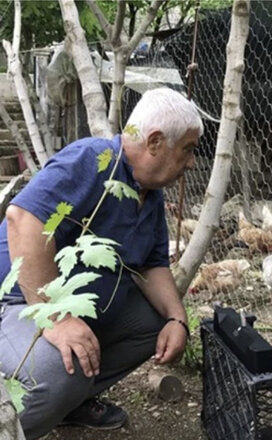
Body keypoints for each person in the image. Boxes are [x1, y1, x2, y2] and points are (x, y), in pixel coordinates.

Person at [0, 87, 203, 439]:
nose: (192, 163)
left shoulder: (148, 194)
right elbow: (23, 219)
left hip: (74, 304)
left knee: (152, 324)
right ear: (155, 142)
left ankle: (71, 402)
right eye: (187, 149)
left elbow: (152, 265)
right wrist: (56, 317)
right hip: (16, 302)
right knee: (59, 371)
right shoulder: (93, 160)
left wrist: (177, 319)